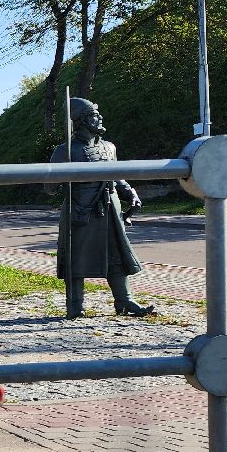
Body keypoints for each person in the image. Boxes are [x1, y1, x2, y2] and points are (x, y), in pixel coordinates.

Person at [49, 97, 155, 320]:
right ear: (83, 120)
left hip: (110, 211)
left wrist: (130, 193)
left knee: (116, 255)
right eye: (95, 116)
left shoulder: (109, 147)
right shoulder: (66, 150)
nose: (100, 119)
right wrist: (63, 173)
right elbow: (48, 187)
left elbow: (116, 176)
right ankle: (75, 305)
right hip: (81, 212)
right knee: (75, 258)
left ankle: (124, 301)